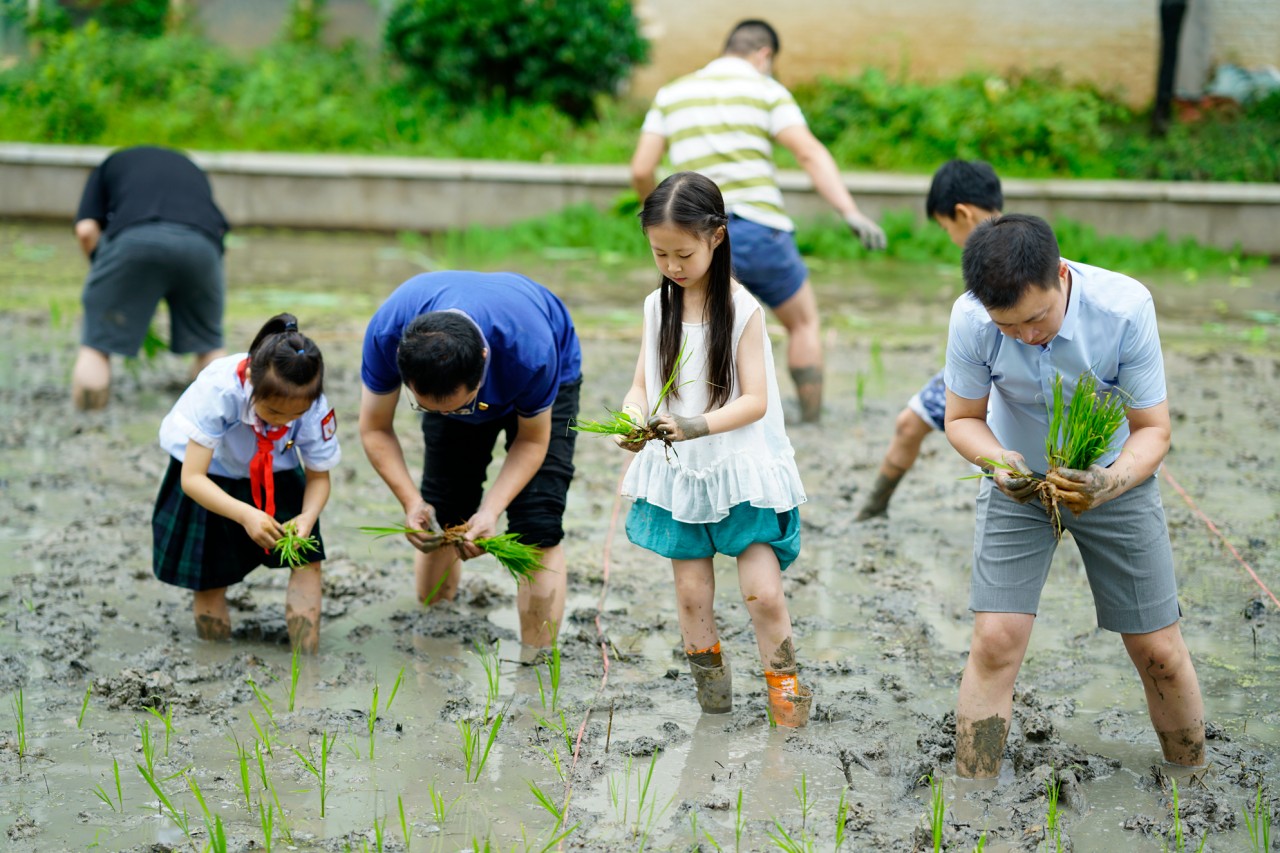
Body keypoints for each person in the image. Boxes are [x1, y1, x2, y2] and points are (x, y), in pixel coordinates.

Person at [943, 214, 1205, 777]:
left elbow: (1153, 430)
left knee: (1158, 650)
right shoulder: (970, 319)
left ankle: (1193, 777)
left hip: (1113, 479)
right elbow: (962, 419)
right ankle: (970, 797)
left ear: (1060, 276)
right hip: (1018, 484)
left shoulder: (1124, 309)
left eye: (1036, 318)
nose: (1026, 336)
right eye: (1008, 327)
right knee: (995, 641)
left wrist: (1108, 482)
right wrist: (1000, 464)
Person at [616, 172, 810, 726]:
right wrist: (631, 418)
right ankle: (714, 711)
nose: (673, 266)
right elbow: (641, 385)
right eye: (660, 254)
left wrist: (694, 425)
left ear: (717, 237)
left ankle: (788, 705)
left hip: (741, 470)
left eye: (684, 254)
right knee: (691, 597)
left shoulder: (743, 309)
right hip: (683, 472)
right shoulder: (657, 307)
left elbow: (756, 401)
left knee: (763, 594)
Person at [629, 19, 887, 424]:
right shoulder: (766, 90)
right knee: (803, 322)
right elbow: (809, 153)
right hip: (761, 230)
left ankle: (694, 411)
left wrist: (664, 219)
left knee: (692, 324)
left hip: (693, 235)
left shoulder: (672, 94)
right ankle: (811, 419)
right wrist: (849, 211)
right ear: (764, 55)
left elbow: (641, 168)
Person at [358, 272, 582, 649]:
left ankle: (539, 663)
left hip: (541, 377)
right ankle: (433, 647)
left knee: (538, 522)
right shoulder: (388, 333)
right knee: (443, 514)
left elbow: (532, 440)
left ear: (483, 361)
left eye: (461, 407)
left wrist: (490, 512)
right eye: (429, 408)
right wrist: (412, 503)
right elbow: (374, 428)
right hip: (453, 376)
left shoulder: (530, 351)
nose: (450, 416)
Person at [152, 313, 339, 653]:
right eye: (274, 412)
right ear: (251, 380)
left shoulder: (312, 405)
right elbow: (192, 478)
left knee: (307, 560)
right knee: (209, 575)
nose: (283, 422)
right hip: (211, 476)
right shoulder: (219, 389)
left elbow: (319, 477)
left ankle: (307, 656)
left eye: (295, 415)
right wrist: (246, 515)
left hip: (277, 471)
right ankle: (214, 656)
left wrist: (307, 517)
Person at [857, 160, 1003, 520]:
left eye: (944, 226)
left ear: (962, 214)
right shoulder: (1018, 246)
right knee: (910, 423)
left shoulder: (995, 258)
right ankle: (873, 510)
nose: (948, 236)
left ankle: (872, 511)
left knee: (923, 428)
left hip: (994, 374)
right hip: (979, 366)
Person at [72, 146, 230, 410]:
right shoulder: (191, 168)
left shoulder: (109, 165)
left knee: (96, 347)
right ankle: (215, 416)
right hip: (202, 246)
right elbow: (220, 230)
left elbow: (86, 230)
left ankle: (89, 418)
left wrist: (105, 275)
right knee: (209, 345)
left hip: (134, 239)